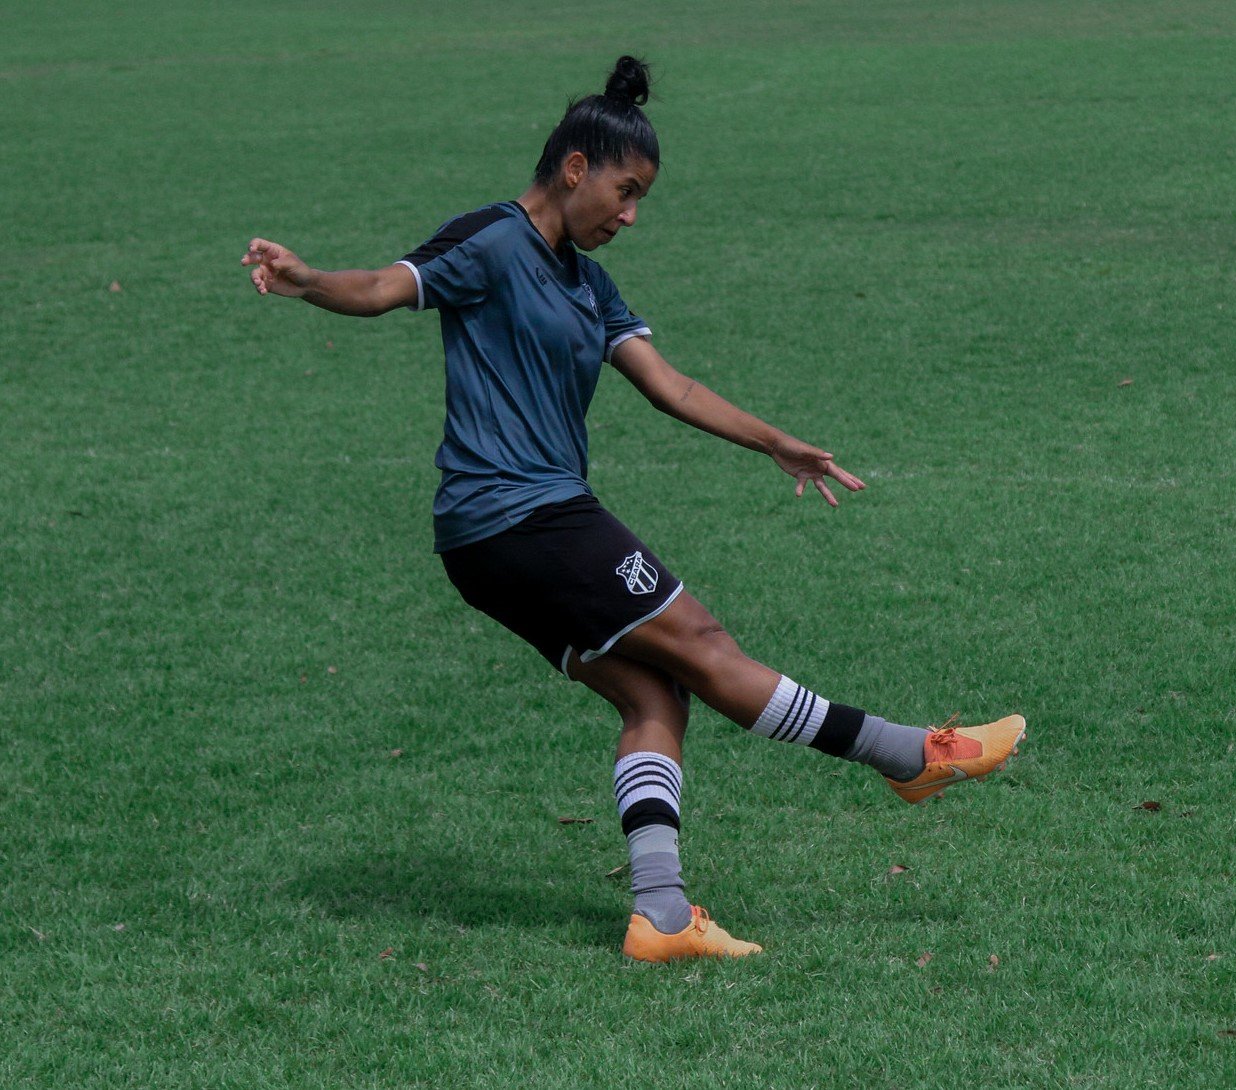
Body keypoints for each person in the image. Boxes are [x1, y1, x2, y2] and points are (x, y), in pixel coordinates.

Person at [242, 56, 1025, 963]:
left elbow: (671, 386)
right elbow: (382, 288)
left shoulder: (589, 283)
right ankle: (909, 755)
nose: (630, 214)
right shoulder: (491, 244)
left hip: (499, 537)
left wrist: (770, 439)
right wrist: (307, 281)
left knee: (656, 695)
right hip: (520, 516)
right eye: (624, 189)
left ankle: (659, 917)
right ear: (574, 167)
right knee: (704, 645)